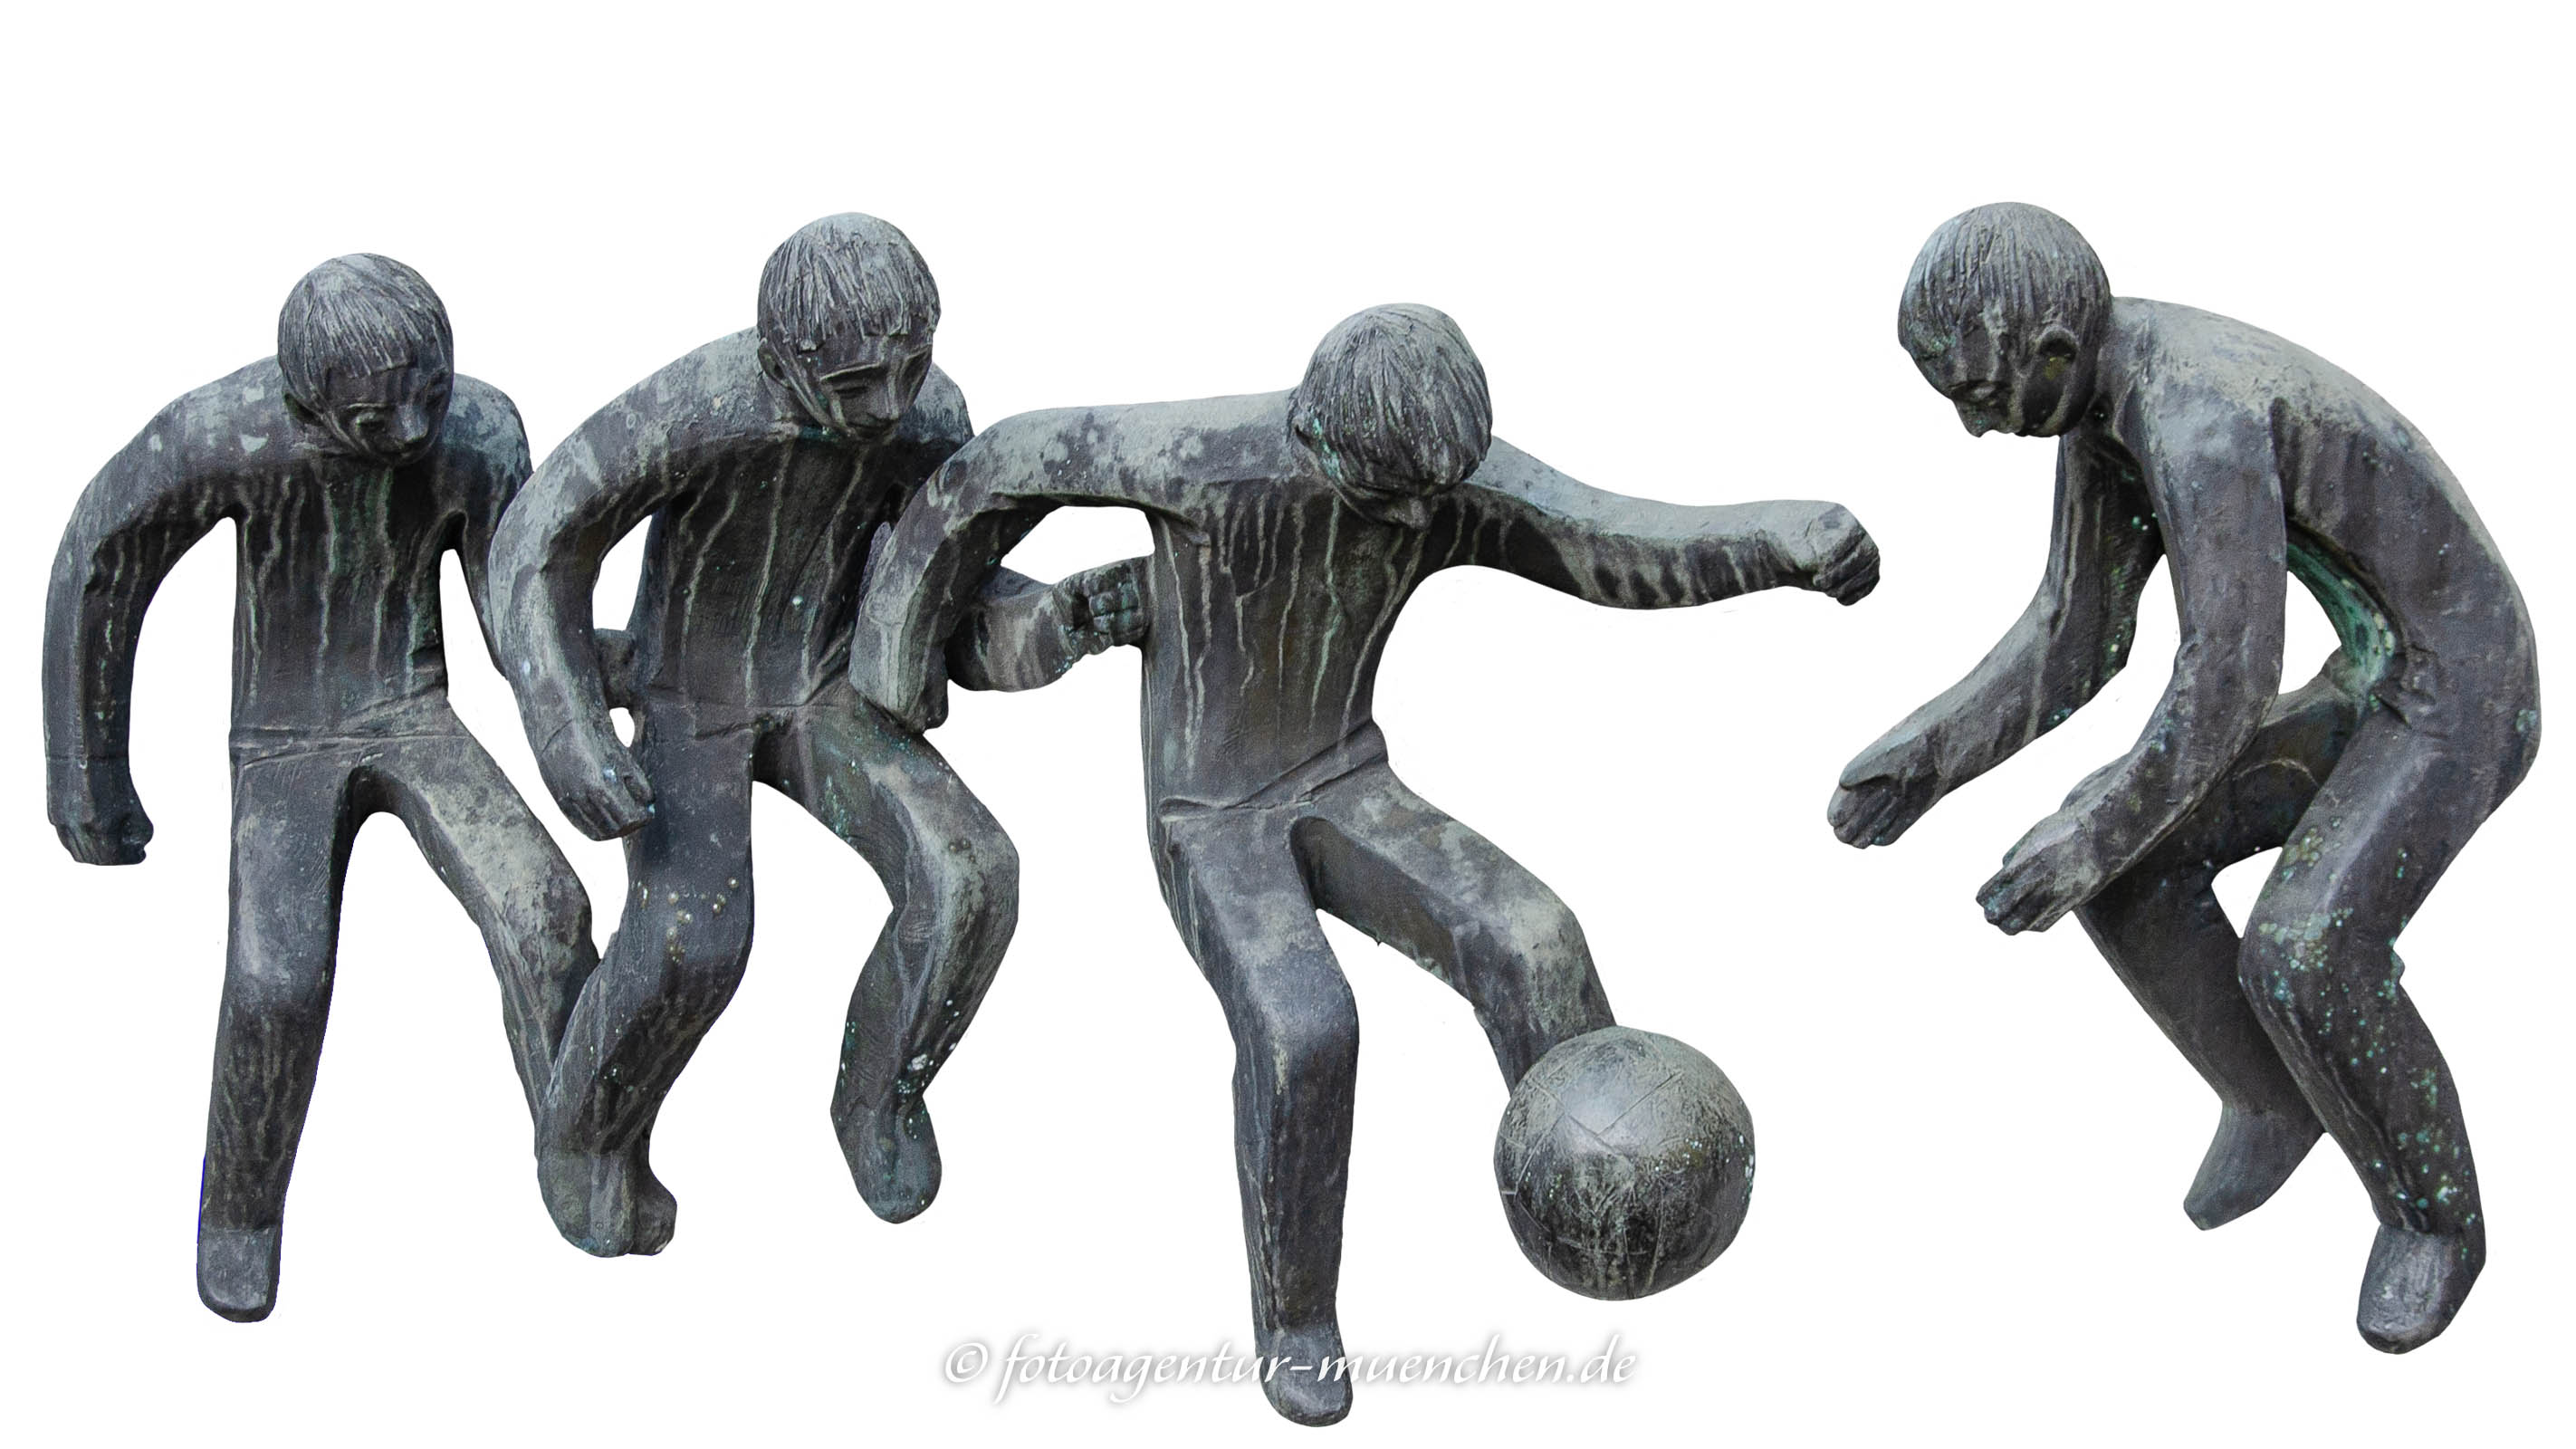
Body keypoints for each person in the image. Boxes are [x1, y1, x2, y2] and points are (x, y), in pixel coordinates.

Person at [853, 302, 1879, 1423]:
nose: (1414, 518)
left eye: (1432, 496)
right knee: (1304, 1030)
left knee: (1535, 940)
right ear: (1318, 437)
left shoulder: (1436, 479)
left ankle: (1591, 1181)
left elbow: (1612, 539)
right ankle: (1296, 1317)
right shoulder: (1197, 462)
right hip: (1210, 816)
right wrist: (896, 652)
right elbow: (1000, 466)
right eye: (1390, 496)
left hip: (1346, 773)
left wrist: (1778, 539)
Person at [1828, 203, 2541, 1352]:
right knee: (2128, 869)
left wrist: (2089, 835)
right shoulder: (2098, 409)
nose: (1971, 426)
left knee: (2304, 948)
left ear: (2051, 354)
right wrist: (1929, 753)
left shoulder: (2192, 414)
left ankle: (2432, 1218)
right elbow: (2078, 634)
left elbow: (2226, 677)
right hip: (2376, 671)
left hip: (2463, 688)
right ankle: (2275, 1093)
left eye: (1979, 395)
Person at [489, 213, 1139, 1259]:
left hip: (827, 686)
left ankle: (880, 1092)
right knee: (692, 942)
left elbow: (941, 580)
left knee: (970, 874)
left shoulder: (929, 417)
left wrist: (1046, 623)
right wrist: (564, 722)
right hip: (689, 692)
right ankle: (586, 1138)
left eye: (910, 368)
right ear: (779, 359)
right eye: (855, 384)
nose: (889, 405)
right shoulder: (698, 408)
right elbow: (538, 541)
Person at [43, 254, 599, 1321]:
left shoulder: (480, 430)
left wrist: (583, 677)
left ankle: (581, 1144)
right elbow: (101, 560)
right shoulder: (224, 434)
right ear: (307, 405)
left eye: (430, 393)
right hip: (283, 733)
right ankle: (239, 1214)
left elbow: (508, 606)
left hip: (413, 708)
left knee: (545, 909)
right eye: (375, 418)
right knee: (276, 979)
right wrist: (87, 769)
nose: (411, 431)